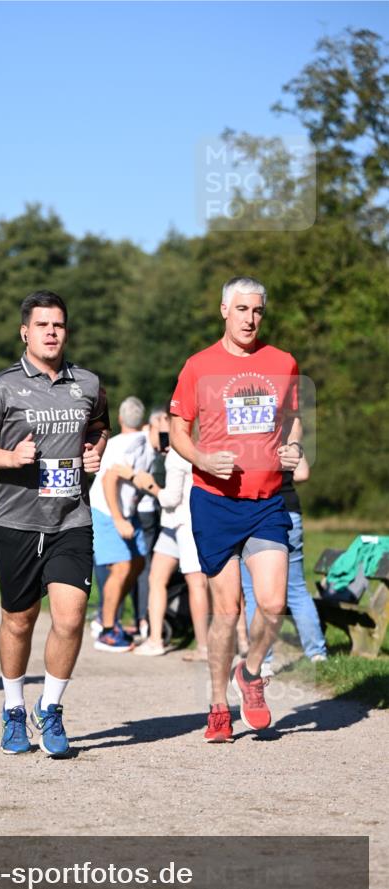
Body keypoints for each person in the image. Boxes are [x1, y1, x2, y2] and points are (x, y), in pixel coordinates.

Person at [0, 290, 109, 756]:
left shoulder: (86, 383)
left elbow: (100, 425)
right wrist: (9, 456)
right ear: (25, 331)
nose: (51, 332)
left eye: (59, 325)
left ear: (66, 331)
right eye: (42, 325)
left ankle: (51, 709)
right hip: (18, 522)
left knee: (69, 619)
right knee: (20, 620)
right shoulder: (0, 388)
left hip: (72, 519)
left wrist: (97, 450)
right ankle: (12, 710)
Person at [169, 276, 302, 742]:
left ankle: (250, 674)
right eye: (242, 309)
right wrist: (202, 458)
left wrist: (293, 447)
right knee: (226, 612)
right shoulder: (198, 365)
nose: (250, 319)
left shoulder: (282, 362)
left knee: (272, 604)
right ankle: (217, 704)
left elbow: (293, 418)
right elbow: (178, 429)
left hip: (267, 502)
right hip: (215, 502)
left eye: (258, 311)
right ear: (224, 310)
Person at [241, 459, 327, 670]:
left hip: (254, 513)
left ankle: (262, 660)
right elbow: (303, 473)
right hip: (289, 510)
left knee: (253, 592)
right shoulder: (286, 431)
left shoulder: (242, 433)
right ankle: (317, 654)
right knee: (297, 589)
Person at [129, 445, 210, 658]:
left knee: (197, 583)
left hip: (186, 522)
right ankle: (155, 640)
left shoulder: (179, 452)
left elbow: (170, 498)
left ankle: (205, 648)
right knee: (157, 576)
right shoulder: (210, 443)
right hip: (173, 524)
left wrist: (149, 485)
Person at [89, 396, 150, 652]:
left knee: (137, 563)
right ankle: (107, 629)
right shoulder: (120, 446)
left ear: (121, 418)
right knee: (122, 567)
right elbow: (108, 480)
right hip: (107, 509)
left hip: (127, 511)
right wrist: (117, 518)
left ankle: (106, 615)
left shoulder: (143, 440)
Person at [133, 407, 170, 639]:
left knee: (149, 570)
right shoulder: (143, 443)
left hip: (157, 512)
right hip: (146, 511)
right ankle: (143, 620)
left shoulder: (165, 451)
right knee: (147, 569)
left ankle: (146, 622)